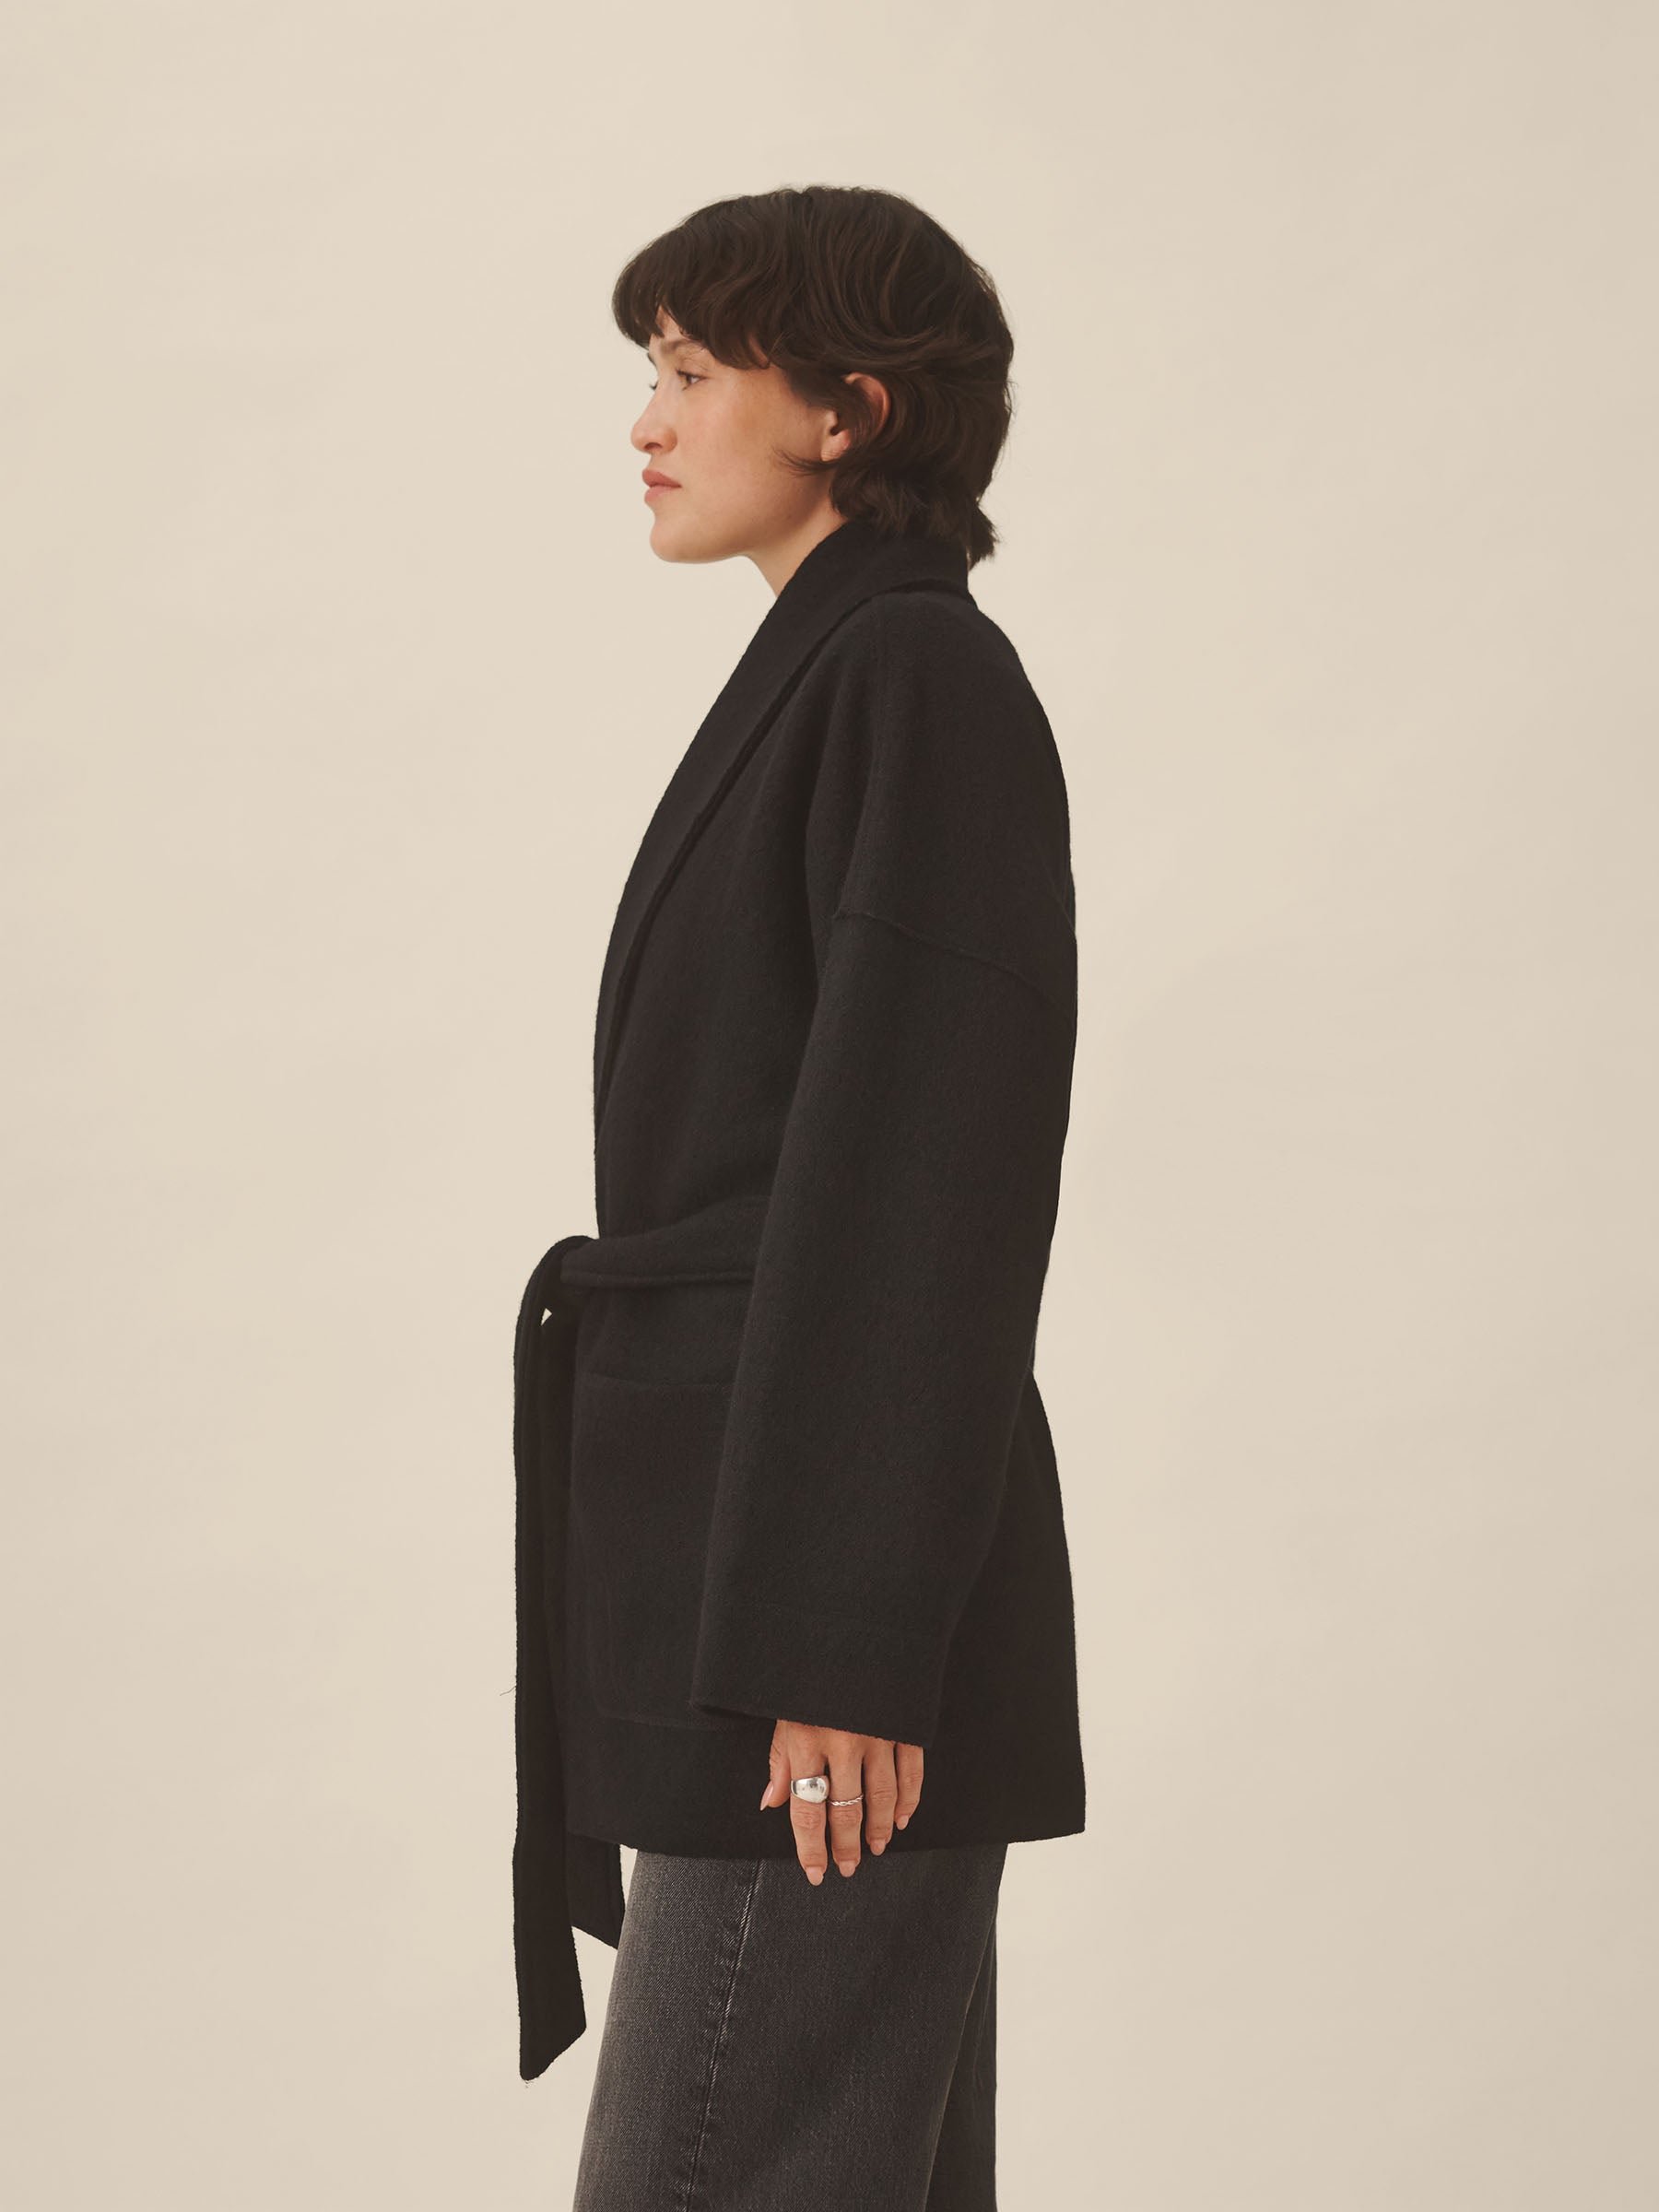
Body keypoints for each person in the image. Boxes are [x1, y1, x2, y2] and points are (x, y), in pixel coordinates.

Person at [509, 184, 1086, 2212]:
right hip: (762, 1593)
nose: (646, 419)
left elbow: (931, 1173)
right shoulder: (842, 669)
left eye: (688, 370)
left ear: (847, 410)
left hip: (816, 1647)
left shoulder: (913, 675)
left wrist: (844, 1643)